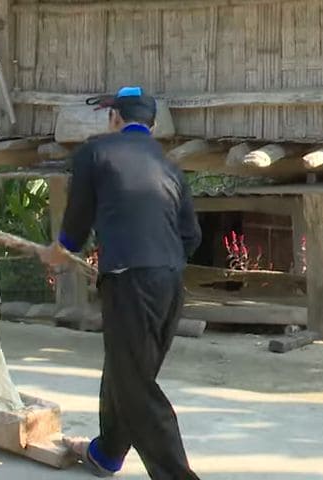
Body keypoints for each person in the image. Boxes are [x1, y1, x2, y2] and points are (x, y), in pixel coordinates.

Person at [39, 87, 202, 479]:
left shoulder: (95, 154)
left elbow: (77, 220)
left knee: (135, 386)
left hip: (130, 281)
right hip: (170, 281)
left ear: (114, 119)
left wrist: (61, 249)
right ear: (152, 123)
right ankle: (107, 454)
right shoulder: (169, 167)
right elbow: (191, 236)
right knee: (126, 371)